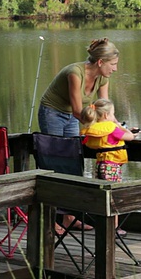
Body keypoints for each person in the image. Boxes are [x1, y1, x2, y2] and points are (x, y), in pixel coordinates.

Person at [37, 37, 119, 234]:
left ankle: (69, 218)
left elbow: (106, 108)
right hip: (53, 113)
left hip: (76, 116)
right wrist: (99, 127)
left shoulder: (103, 77)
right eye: (113, 64)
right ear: (100, 62)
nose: (115, 68)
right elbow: (76, 110)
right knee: (53, 164)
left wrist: (119, 127)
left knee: (73, 162)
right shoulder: (75, 73)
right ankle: (49, 220)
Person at [80, 98, 139, 236]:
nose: (114, 118)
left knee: (103, 197)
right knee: (113, 196)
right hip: (112, 167)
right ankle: (114, 228)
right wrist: (122, 127)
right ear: (106, 115)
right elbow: (129, 137)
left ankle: (103, 226)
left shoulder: (93, 129)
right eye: (113, 114)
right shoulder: (112, 129)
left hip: (100, 165)